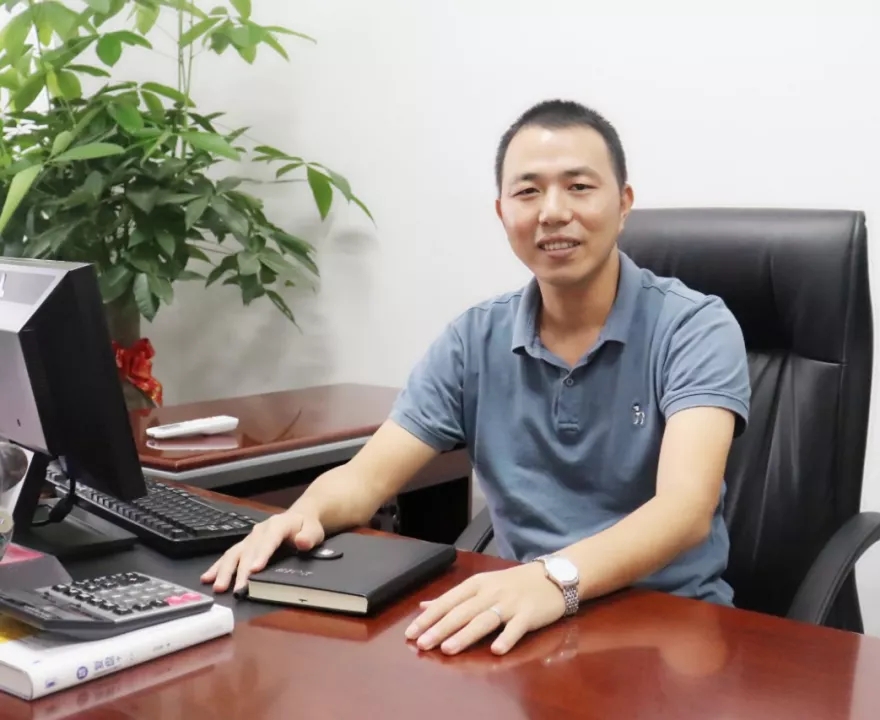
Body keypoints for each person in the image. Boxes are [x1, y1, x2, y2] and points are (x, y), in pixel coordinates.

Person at [201, 99, 751, 657]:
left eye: (579, 187)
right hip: (522, 624)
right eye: (528, 191)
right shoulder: (474, 339)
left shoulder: (694, 326)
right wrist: (300, 516)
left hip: (669, 628)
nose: (552, 211)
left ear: (624, 203)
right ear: (502, 212)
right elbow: (365, 480)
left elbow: (685, 511)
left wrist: (553, 578)